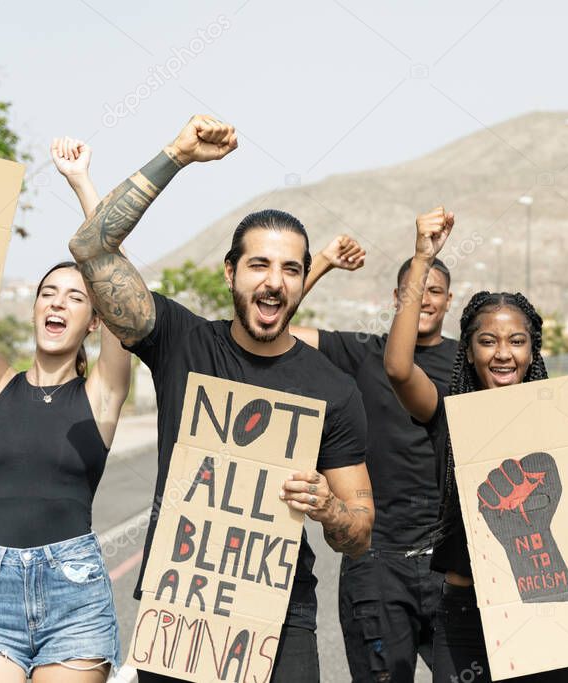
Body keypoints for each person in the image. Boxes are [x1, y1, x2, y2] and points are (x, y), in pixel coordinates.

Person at [67, 114, 374, 683]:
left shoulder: (332, 389)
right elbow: (90, 246)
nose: (274, 281)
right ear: (231, 272)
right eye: (259, 264)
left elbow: (358, 531)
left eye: (290, 269)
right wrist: (176, 155)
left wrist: (328, 507)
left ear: (304, 281)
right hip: (182, 610)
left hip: (283, 622)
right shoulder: (180, 341)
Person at [0, 130, 133, 683]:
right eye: (48, 294)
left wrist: (82, 183)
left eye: (76, 297)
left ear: (95, 320)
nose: (58, 303)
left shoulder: (102, 393)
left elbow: (119, 281)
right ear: (35, 308)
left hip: (75, 599)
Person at [384, 207, 568, 683]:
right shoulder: (449, 414)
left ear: (532, 351)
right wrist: (421, 260)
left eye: (517, 341)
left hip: (552, 611)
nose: (503, 353)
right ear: (470, 351)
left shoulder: (560, 424)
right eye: (487, 341)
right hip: (466, 621)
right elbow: (397, 369)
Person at [292, 237, 456, 681]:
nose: (423, 299)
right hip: (376, 562)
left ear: (448, 300)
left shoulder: (468, 362)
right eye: (414, 290)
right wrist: (322, 262)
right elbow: (268, 327)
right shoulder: (361, 350)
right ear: (396, 298)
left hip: (453, 565)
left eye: (434, 291)